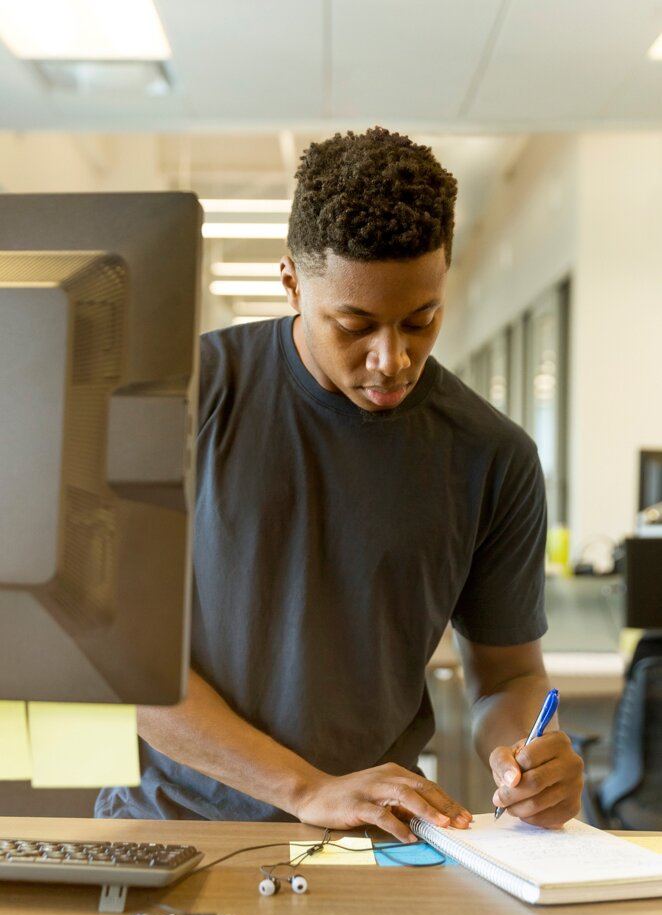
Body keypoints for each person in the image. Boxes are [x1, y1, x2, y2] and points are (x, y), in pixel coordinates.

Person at [96, 127, 582, 839]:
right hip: (173, 827)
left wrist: (527, 759)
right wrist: (304, 788)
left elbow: (508, 679)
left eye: (422, 321)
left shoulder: (492, 455)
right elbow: (120, 659)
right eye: (354, 325)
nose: (392, 359)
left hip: (371, 837)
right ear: (291, 281)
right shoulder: (183, 399)